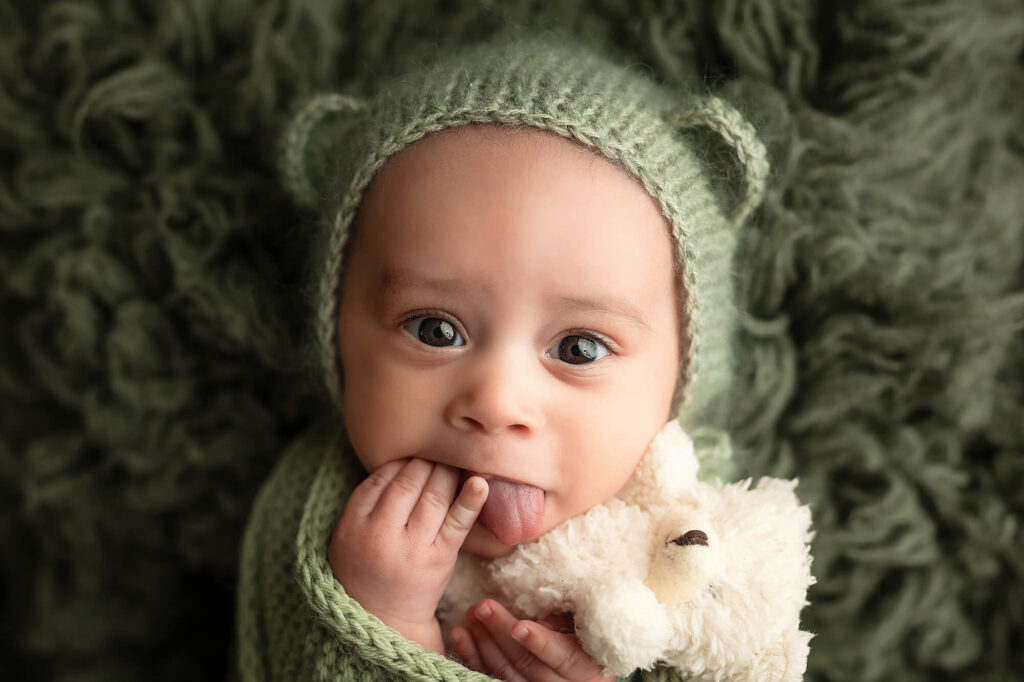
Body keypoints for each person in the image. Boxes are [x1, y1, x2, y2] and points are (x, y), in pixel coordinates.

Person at [236, 31, 768, 682]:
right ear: (338, 338)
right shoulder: (318, 520)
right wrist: (384, 616)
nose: (495, 401)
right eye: (434, 330)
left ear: (680, 380)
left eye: (578, 348)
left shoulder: (696, 551)